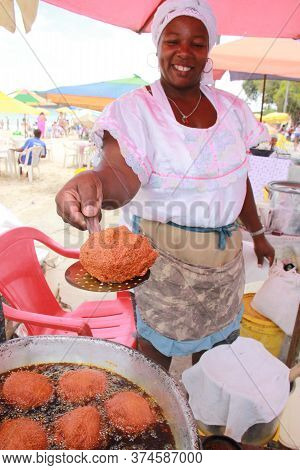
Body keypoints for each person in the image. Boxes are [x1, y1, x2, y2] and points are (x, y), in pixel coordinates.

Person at [56, 0, 275, 370]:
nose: (184, 53)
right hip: (165, 260)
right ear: (158, 44)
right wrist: (93, 181)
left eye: (197, 43)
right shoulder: (136, 111)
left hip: (225, 264)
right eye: (173, 41)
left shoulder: (233, 112)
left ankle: (204, 419)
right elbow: (120, 175)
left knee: (215, 360)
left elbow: (241, 181)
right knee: (155, 361)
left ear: (209, 50)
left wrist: (258, 233)